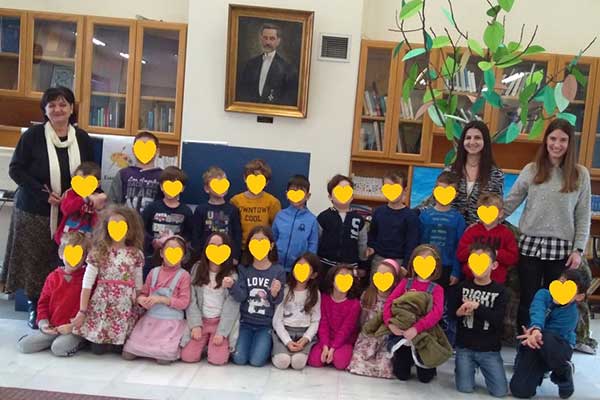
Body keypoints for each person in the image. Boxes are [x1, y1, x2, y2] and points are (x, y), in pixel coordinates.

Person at [2, 86, 94, 329]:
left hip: (72, 213)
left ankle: (65, 309)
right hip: (35, 210)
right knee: (35, 262)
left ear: (72, 108)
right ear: (45, 110)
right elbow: (16, 170)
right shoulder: (33, 136)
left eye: (63, 104)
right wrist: (43, 194)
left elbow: (92, 172)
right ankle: (36, 307)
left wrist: (82, 195)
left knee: (66, 260)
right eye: (52, 105)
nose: (58, 109)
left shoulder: (82, 138)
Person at [503, 118, 591, 330]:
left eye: (562, 140)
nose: (556, 144)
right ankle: (526, 342)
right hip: (530, 245)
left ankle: (549, 341)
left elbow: (583, 215)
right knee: (529, 298)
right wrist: (487, 217)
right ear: (546, 140)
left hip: (561, 249)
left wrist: (578, 250)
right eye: (552, 139)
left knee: (557, 300)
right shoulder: (531, 170)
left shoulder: (580, 175)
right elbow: (511, 201)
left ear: (570, 143)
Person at [72, 205, 145, 355]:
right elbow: (87, 284)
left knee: (120, 349)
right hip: (102, 304)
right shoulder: (98, 252)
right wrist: (82, 310)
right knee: (97, 350)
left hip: (124, 306)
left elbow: (139, 284)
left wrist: (139, 303)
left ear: (130, 229)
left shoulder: (136, 254)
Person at [510, 269, 590, 399]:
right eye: (560, 283)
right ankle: (537, 372)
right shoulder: (543, 294)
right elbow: (537, 310)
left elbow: (553, 336)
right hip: (535, 342)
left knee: (547, 338)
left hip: (558, 348)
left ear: (579, 297)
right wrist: (535, 330)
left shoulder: (572, 314)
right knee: (520, 390)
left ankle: (563, 372)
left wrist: (536, 334)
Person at [418, 121, 504, 225]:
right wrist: (414, 213)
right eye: (468, 138)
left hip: (480, 231)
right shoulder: (450, 170)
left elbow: (496, 206)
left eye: (477, 138)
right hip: (449, 227)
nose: (472, 142)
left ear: (485, 141)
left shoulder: (496, 174)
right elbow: (434, 201)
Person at [17, 232, 89, 357]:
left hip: (74, 329)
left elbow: (90, 308)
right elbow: (43, 303)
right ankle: (51, 339)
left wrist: (72, 326)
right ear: (61, 254)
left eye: (79, 255)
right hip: (53, 328)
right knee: (24, 346)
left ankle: (81, 342)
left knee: (58, 349)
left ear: (84, 258)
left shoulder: (87, 278)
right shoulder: (52, 277)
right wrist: (44, 324)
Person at [122, 235, 191, 364]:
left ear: (183, 256)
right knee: (128, 354)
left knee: (163, 358)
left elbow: (184, 302)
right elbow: (143, 293)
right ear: (161, 253)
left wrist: (162, 299)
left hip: (171, 323)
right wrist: (142, 300)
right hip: (150, 320)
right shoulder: (153, 272)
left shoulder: (184, 275)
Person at [451, 243, 508, 398]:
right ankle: (464, 369)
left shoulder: (501, 291)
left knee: (500, 392)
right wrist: (459, 312)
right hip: (465, 348)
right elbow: (451, 315)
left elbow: (498, 320)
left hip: (489, 350)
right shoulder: (462, 287)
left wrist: (478, 306)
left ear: (494, 265)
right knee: (465, 388)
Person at [384, 244, 445, 383]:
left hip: (425, 335)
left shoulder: (437, 289)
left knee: (425, 378)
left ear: (435, 266)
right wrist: (390, 323)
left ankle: (428, 362)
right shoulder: (405, 283)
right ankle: (408, 358)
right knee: (401, 375)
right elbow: (389, 303)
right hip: (403, 334)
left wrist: (417, 328)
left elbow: (436, 313)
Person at [229, 226, 286, 367]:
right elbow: (241, 297)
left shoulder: (278, 270)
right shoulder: (244, 269)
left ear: (271, 245)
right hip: (245, 323)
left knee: (256, 361)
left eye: (263, 241)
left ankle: (269, 347)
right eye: (255, 242)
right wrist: (232, 286)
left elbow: (278, 301)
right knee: (239, 359)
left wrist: (274, 293)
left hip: (265, 325)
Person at [181, 232, 240, 365]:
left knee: (218, 360)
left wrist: (222, 332)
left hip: (219, 322)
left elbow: (232, 307)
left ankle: (212, 343)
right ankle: (204, 343)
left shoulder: (232, 275)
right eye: (212, 245)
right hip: (201, 320)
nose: (216, 249)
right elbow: (191, 299)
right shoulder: (197, 268)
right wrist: (195, 325)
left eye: (220, 246)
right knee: (188, 356)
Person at [348, 258, 401, 378]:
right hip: (367, 337)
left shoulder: (396, 300)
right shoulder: (367, 295)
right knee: (357, 363)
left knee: (384, 367)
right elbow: (362, 320)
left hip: (385, 339)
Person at [271, 252, 321, 370]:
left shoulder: (315, 294)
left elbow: (315, 320)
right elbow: (277, 320)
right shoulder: (285, 290)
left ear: (313, 275)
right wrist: (287, 341)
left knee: (298, 363)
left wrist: (306, 338)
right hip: (285, 331)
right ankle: (275, 352)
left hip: (303, 334)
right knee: (283, 362)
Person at [141, 166, 193, 277]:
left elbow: (189, 234)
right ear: (161, 187)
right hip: (152, 258)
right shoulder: (152, 208)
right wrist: (153, 241)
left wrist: (179, 241)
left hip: (175, 259)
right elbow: (141, 229)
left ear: (182, 188)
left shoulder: (186, 211)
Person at [457, 192, 519, 284]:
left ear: (500, 213)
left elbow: (513, 258)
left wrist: (495, 253)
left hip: (496, 281)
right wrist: (474, 251)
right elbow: (460, 255)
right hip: (471, 279)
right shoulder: (472, 231)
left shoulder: (506, 234)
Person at [317, 174, 368, 286]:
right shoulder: (323, 217)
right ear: (330, 196)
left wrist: (363, 265)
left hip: (350, 267)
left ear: (352, 196)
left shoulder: (359, 219)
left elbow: (362, 245)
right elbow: (317, 240)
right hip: (326, 266)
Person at [307, 264, 361, 370]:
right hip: (325, 339)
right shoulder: (324, 298)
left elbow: (346, 329)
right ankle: (328, 353)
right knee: (314, 361)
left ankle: (333, 354)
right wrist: (325, 346)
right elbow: (323, 324)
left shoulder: (355, 304)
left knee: (340, 362)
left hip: (344, 341)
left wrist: (333, 349)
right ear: (332, 280)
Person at [367, 170, 419, 274]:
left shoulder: (411, 216)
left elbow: (412, 244)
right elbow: (372, 236)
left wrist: (405, 266)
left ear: (405, 190)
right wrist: (370, 249)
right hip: (379, 260)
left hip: (399, 262)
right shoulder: (378, 212)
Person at [236, 23, 298, 106]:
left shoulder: (287, 69)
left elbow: (288, 98)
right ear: (261, 39)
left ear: (278, 41)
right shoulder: (250, 64)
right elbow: (243, 91)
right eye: (265, 38)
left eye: (272, 38)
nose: (267, 42)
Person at [191, 166, 242, 264]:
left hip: (227, 257)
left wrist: (235, 256)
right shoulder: (201, 210)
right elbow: (196, 235)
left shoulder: (232, 210)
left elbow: (237, 235)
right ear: (207, 189)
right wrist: (198, 257)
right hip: (205, 257)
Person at [272, 175, 319, 273]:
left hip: (298, 269)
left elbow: (312, 246)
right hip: (276, 266)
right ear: (287, 194)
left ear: (308, 196)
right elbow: (273, 239)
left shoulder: (312, 220)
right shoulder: (280, 215)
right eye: (293, 191)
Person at [108, 131, 163, 214]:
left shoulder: (163, 176)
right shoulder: (123, 174)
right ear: (133, 150)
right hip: (126, 221)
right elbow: (112, 204)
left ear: (157, 151)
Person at [230, 159, 281, 248]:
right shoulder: (236, 201)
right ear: (245, 179)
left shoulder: (273, 202)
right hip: (242, 248)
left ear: (266, 182)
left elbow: (277, 229)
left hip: (263, 248)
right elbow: (232, 228)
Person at [54, 162, 106, 244]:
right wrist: (84, 199)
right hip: (68, 237)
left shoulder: (99, 197)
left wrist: (99, 209)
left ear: (97, 184)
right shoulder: (71, 194)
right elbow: (66, 209)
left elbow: (101, 221)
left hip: (89, 239)